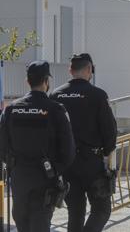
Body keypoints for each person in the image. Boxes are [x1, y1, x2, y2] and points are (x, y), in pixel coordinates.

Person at [0, 61, 75, 232]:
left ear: (28, 81)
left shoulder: (11, 110)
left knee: (22, 225)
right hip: (45, 181)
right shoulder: (56, 109)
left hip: (19, 180)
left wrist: (15, 165)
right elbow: (68, 151)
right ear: (46, 81)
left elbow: (2, 146)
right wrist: (54, 170)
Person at [50, 53, 117, 232]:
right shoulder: (98, 95)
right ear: (89, 69)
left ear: (70, 70)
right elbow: (110, 131)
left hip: (67, 164)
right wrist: (107, 152)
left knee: (75, 212)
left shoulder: (56, 95)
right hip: (92, 163)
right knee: (102, 209)